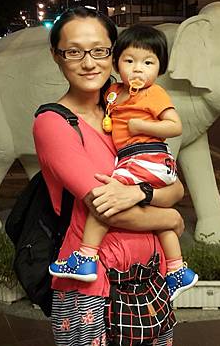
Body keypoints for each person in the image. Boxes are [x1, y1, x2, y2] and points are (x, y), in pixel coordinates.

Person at [33, 7, 184, 346]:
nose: (89, 63)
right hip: (96, 286)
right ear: (56, 56)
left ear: (114, 54)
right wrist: (171, 217)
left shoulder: (124, 110)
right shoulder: (54, 124)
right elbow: (104, 207)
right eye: (74, 51)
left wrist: (142, 194)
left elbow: (176, 187)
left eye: (99, 50)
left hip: (150, 275)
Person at [49, 24, 198, 301]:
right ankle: (178, 269)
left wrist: (140, 125)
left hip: (145, 156)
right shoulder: (113, 94)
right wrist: (172, 216)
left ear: (160, 68)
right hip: (144, 166)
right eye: (129, 61)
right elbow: (171, 196)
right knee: (121, 204)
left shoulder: (153, 93)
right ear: (117, 62)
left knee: (107, 199)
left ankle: (85, 256)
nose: (138, 69)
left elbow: (176, 184)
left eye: (148, 62)